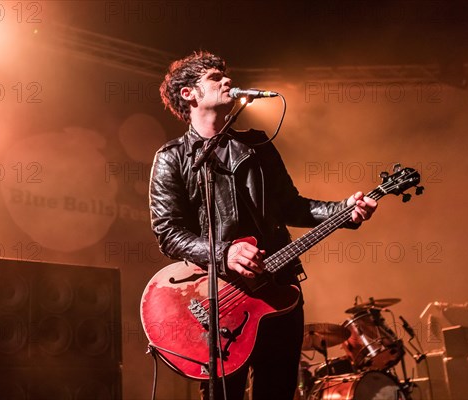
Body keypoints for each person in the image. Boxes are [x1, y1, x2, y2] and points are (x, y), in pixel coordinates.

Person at [149, 50, 377, 400]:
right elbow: (167, 232)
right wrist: (225, 253)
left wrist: (343, 210)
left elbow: (292, 207)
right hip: (218, 299)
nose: (227, 80)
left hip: (278, 293)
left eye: (226, 75)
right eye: (214, 77)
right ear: (188, 94)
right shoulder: (172, 158)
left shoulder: (258, 146)